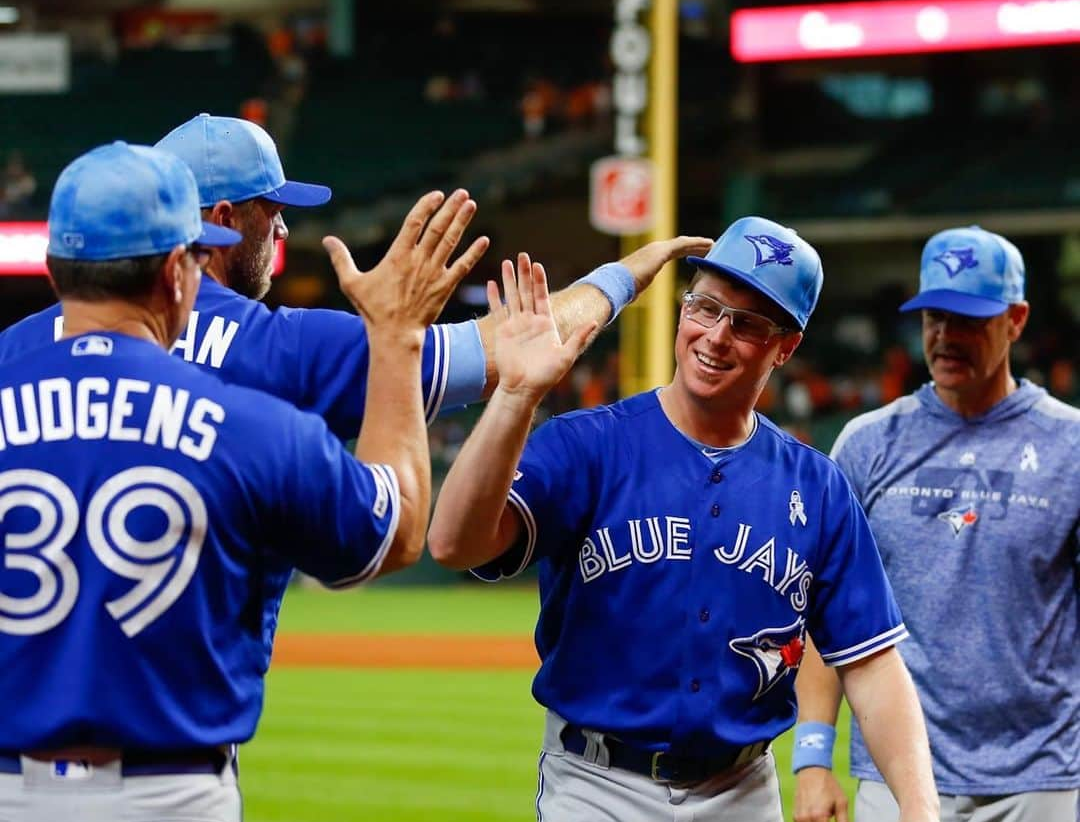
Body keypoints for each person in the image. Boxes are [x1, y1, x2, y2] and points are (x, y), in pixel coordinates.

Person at [427, 218, 958, 822]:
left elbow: (872, 664)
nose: (714, 336)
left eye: (746, 324)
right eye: (703, 309)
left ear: (786, 346)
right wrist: (513, 398)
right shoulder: (590, 446)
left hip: (738, 802)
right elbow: (455, 541)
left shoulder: (816, 488)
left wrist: (920, 810)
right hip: (597, 794)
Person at [0, 139, 457, 822]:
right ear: (181, 272)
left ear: (56, 269)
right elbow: (391, 532)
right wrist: (394, 342)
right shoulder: (249, 426)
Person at [0, 112, 710, 642]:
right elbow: (512, 350)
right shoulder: (281, 352)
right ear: (217, 222)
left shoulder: (13, 358)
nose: (281, 231)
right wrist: (620, 278)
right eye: (270, 211)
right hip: (174, 767)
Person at [793, 225, 1079, 822]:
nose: (946, 337)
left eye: (970, 319)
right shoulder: (869, 444)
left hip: (1035, 771)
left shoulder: (1069, 447)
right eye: (933, 318)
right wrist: (813, 757)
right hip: (899, 769)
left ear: (1016, 320)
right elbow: (826, 615)